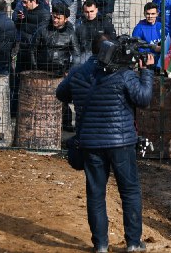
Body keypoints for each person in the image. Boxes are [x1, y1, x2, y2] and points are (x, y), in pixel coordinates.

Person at [56, 36, 153, 253]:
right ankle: (134, 243)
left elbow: (60, 93)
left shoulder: (78, 73)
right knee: (129, 191)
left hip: (90, 143)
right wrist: (147, 71)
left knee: (96, 194)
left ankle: (100, 245)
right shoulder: (125, 75)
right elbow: (144, 99)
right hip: (121, 143)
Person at [75, 0, 117, 64]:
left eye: (92, 11)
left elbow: (113, 40)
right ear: (83, 12)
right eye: (87, 12)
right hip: (83, 58)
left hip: (102, 58)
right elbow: (75, 44)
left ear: (96, 10)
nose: (89, 14)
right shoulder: (79, 25)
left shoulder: (105, 23)